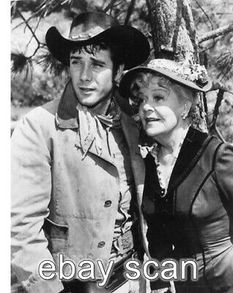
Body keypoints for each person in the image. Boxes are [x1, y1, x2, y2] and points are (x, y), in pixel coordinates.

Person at [11, 12, 150, 293]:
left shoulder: (135, 122)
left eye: (97, 64)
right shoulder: (39, 127)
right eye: (76, 62)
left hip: (136, 278)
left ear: (118, 69)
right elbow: (20, 230)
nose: (84, 76)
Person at [119, 58, 233, 293]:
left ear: (185, 106)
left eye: (158, 98)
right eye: (141, 99)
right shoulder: (152, 162)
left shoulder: (217, 157)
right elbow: (158, 237)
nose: (145, 107)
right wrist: (160, 284)